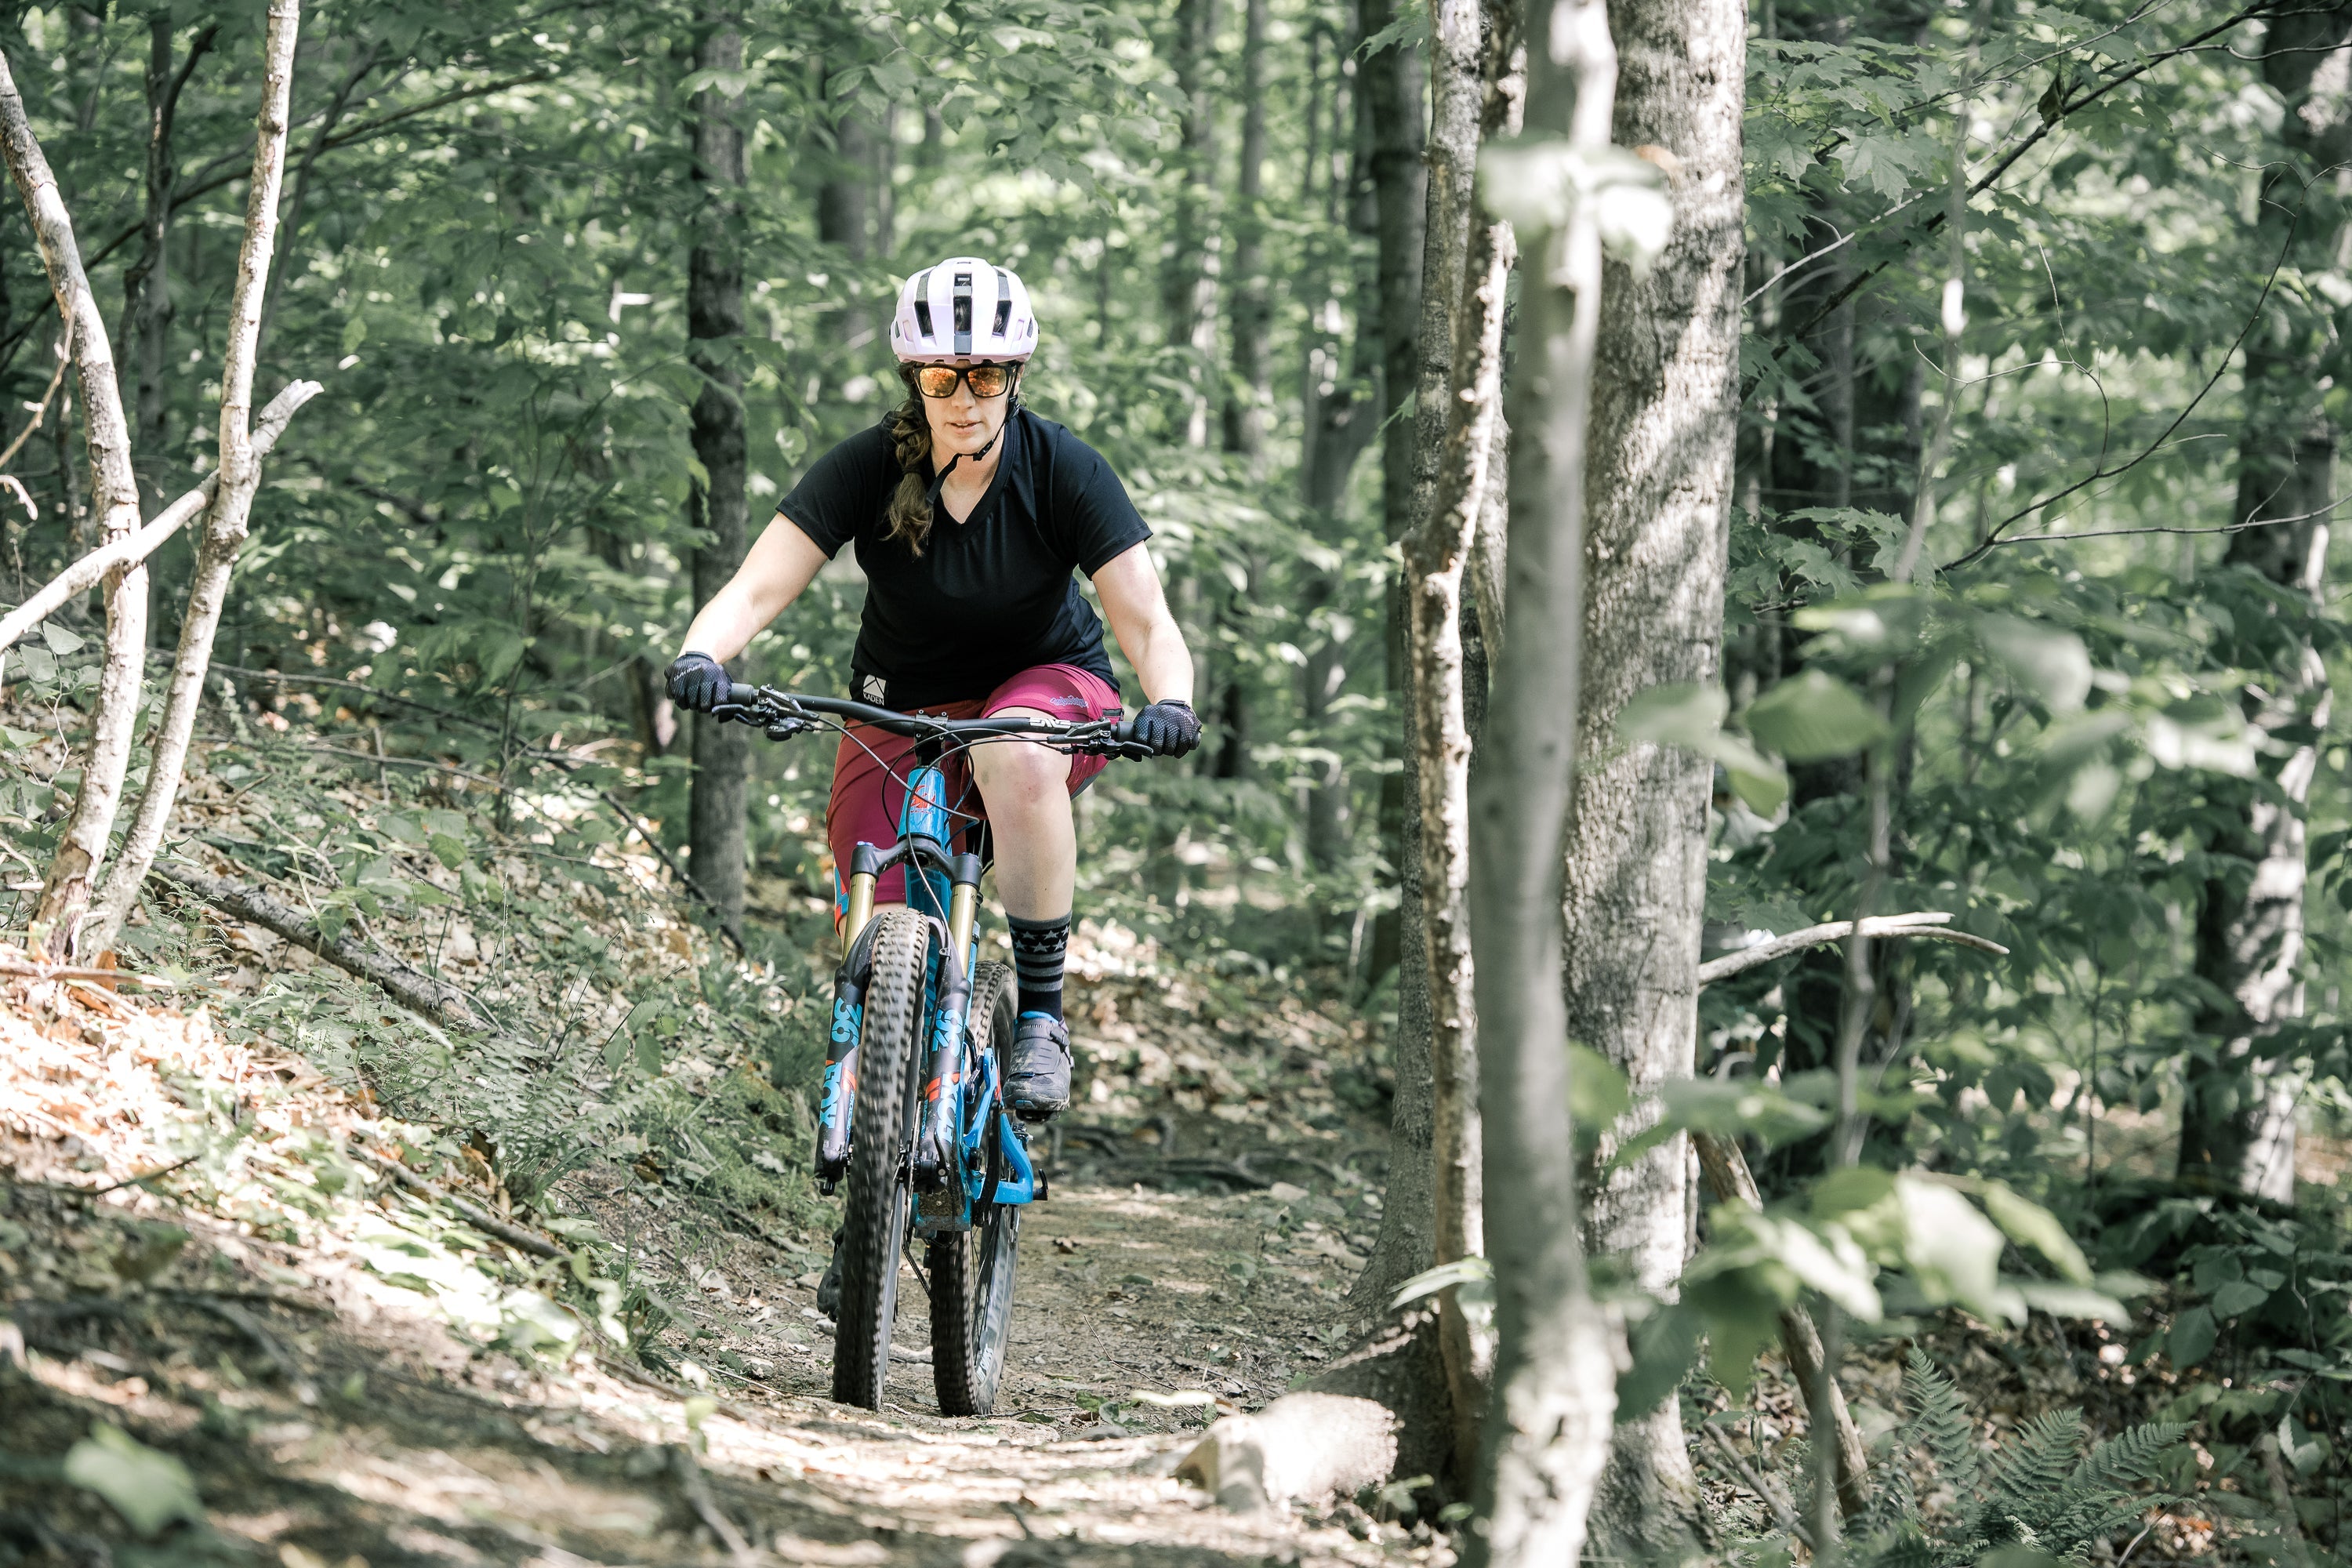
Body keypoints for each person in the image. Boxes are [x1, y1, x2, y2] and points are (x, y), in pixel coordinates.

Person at [666, 256, 1200, 1124]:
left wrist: (1170, 699)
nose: (963, 397)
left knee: (1011, 746)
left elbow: (1145, 621)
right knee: (874, 913)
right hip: (900, 705)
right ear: (913, 378)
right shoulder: (869, 465)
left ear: (1014, 375)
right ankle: (881, 1124)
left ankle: (1040, 1018)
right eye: (941, 377)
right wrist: (701, 654)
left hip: (1050, 691)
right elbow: (759, 587)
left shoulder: (1062, 468)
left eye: (984, 375)